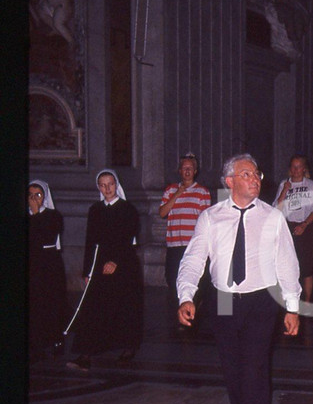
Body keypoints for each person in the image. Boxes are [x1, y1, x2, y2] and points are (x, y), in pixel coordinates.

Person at [176, 154, 301, 404]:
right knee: (233, 370)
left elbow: (287, 262)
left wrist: (292, 306)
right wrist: (186, 295)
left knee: (253, 366)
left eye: (256, 174)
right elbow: (193, 259)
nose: (255, 179)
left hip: (261, 298)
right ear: (230, 181)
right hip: (224, 298)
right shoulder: (211, 217)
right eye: (247, 174)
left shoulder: (273, 217)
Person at [66, 170, 143, 371]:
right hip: (100, 265)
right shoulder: (95, 210)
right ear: (98, 187)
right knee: (94, 309)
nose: (107, 188)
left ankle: (128, 348)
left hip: (124, 265)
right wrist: (86, 269)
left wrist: (116, 261)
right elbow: (90, 240)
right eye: (102, 185)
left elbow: (128, 238)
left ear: (116, 185)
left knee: (125, 308)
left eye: (110, 184)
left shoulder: (128, 209)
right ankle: (86, 355)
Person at [159, 154, 212, 322]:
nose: (187, 171)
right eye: (184, 168)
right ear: (179, 171)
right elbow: (162, 212)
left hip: (193, 245)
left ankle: (194, 312)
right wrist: (178, 193)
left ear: (195, 171)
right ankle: (179, 313)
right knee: (173, 278)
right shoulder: (170, 189)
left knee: (196, 280)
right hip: (175, 244)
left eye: (190, 168)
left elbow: (206, 218)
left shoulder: (202, 192)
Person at [273, 154, 313, 302]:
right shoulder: (284, 184)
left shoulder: (311, 185)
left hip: (307, 227)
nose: (296, 170)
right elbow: (276, 208)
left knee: (306, 268)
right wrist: (284, 191)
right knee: (289, 265)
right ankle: (290, 300)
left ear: (304, 169)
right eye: (293, 167)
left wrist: (304, 225)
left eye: (299, 166)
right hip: (289, 226)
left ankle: (306, 302)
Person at [28, 179, 67, 362]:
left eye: (38, 195)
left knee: (53, 301)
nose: (34, 198)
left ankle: (57, 340)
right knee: (34, 303)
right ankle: (36, 341)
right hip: (32, 264)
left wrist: (36, 214)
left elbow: (45, 236)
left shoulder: (54, 215)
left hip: (49, 263)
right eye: (30, 195)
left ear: (44, 196)